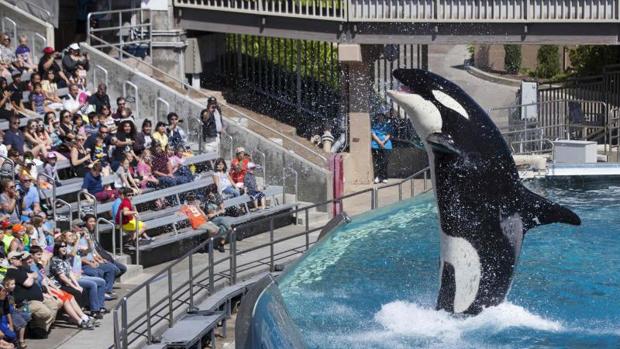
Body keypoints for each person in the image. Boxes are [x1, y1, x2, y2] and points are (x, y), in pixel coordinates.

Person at [28, 246, 95, 329]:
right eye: (38, 255)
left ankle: (84, 316)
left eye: (41, 255)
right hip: (43, 291)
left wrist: (56, 288)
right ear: (32, 255)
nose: (40, 257)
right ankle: (79, 321)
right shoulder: (31, 267)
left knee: (70, 296)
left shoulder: (39, 265)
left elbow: (46, 279)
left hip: (49, 287)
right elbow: (42, 282)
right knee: (65, 299)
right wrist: (50, 292)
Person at [5, 251, 61, 339]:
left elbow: (36, 275)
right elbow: (28, 283)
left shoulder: (21, 268)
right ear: (11, 260)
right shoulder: (12, 272)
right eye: (18, 258)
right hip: (26, 302)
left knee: (55, 304)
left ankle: (41, 330)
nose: (21, 259)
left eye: (21, 257)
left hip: (38, 298)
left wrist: (30, 276)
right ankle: (37, 329)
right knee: (46, 313)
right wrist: (30, 277)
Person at [49, 242, 106, 319]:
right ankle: (83, 314)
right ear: (57, 249)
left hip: (69, 281)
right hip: (59, 284)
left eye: (65, 246)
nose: (64, 248)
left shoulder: (65, 259)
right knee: (79, 291)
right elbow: (62, 277)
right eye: (61, 247)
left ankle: (96, 308)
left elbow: (70, 272)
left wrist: (77, 285)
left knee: (99, 282)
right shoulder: (55, 260)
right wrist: (75, 287)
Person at [81, 214, 126, 279]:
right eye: (90, 221)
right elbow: (90, 252)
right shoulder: (84, 236)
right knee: (115, 270)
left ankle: (108, 281)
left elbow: (95, 249)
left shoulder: (92, 233)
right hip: (96, 260)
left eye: (94, 221)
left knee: (123, 268)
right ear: (85, 223)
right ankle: (107, 284)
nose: (93, 223)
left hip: (106, 257)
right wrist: (99, 259)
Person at [371, 107, 393, 184]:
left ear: (384, 117)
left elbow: (389, 134)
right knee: (378, 162)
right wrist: (379, 142)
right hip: (376, 145)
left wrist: (383, 142)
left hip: (386, 146)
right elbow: (373, 134)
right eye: (379, 116)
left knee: (385, 161)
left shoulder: (387, 125)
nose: (381, 117)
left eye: (382, 116)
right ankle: (378, 176)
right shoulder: (374, 125)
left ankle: (384, 176)